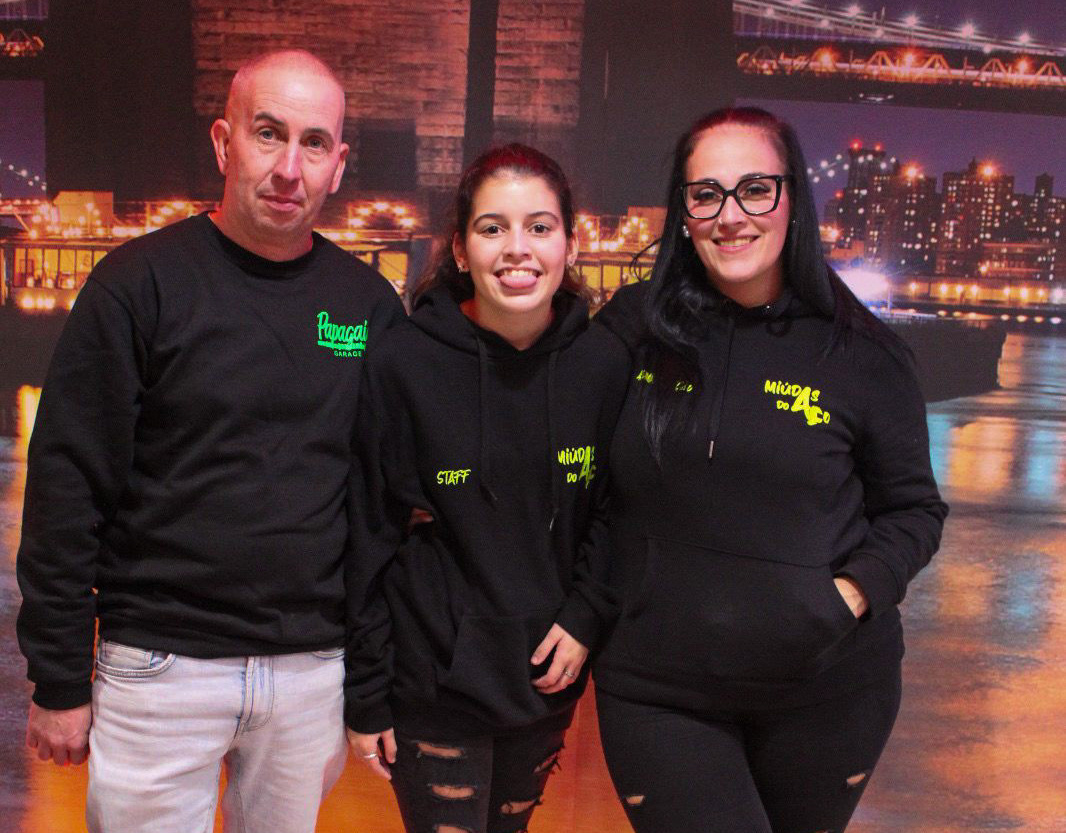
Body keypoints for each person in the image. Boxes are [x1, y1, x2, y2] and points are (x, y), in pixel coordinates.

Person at [16, 50, 405, 832]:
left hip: (308, 673)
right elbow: (67, 487)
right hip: (160, 667)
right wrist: (58, 677)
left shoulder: (367, 305)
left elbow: (376, 511)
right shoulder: (138, 285)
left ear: (338, 165)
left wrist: (368, 681)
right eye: (269, 134)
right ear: (225, 143)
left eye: (314, 143)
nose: (289, 167)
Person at [590, 107, 949, 833]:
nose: (731, 216)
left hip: (828, 690)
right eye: (706, 194)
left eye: (755, 189)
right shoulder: (631, 329)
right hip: (659, 688)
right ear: (683, 212)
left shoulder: (862, 353)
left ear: (793, 200)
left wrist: (843, 599)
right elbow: (548, 438)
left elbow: (913, 511)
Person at [343, 143, 629, 833]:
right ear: (460, 250)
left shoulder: (602, 364)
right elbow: (368, 532)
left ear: (570, 245)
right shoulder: (405, 362)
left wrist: (586, 616)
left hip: (545, 676)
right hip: (432, 681)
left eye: (539, 226)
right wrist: (366, 692)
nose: (517, 249)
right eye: (492, 228)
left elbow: (618, 511)